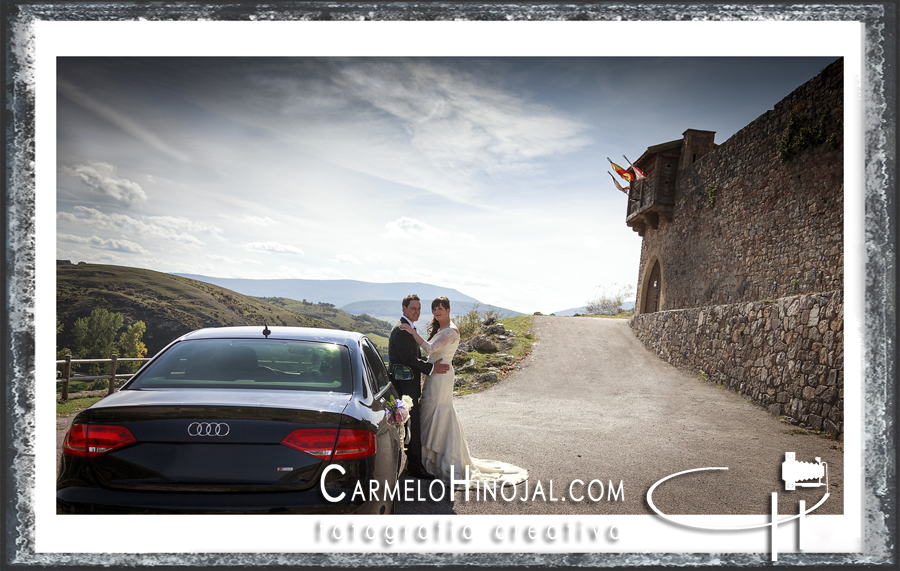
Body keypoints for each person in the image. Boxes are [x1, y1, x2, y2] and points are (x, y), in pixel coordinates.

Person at [399, 296, 528, 490]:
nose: (437, 312)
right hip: (434, 374)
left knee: (439, 412)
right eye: (434, 309)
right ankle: (426, 460)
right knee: (428, 412)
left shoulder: (451, 331)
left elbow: (430, 348)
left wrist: (411, 331)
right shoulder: (440, 329)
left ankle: (443, 459)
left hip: (441, 377)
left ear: (448, 310)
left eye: (440, 308)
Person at [388, 294, 450, 480]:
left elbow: (412, 356)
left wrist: (428, 362)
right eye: (413, 308)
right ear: (404, 308)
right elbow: (407, 359)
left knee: (412, 424)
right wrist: (432, 367)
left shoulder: (407, 328)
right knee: (412, 425)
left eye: (419, 308)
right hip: (405, 385)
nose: (417, 311)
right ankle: (414, 466)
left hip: (409, 383)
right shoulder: (401, 330)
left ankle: (412, 463)